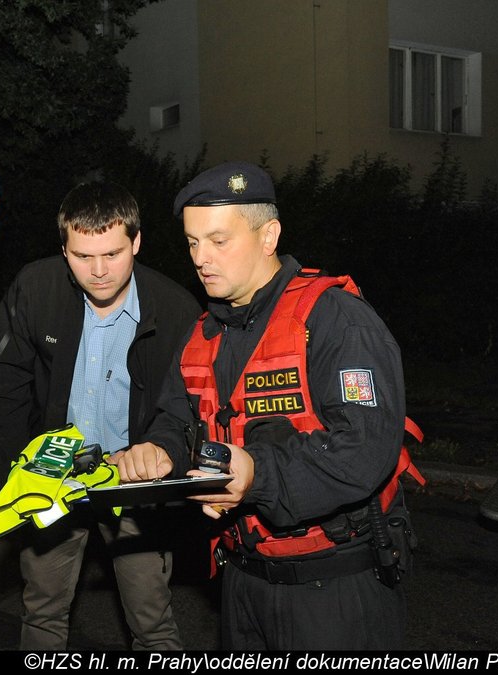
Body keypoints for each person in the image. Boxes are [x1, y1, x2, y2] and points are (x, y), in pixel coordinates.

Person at [114, 161, 423, 650]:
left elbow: (364, 450)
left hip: (334, 589)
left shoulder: (335, 320)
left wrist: (258, 475)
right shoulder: (202, 334)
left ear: (268, 235)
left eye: (219, 240)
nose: (201, 258)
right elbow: (176, 418)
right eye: (193, 242)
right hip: (241, 581)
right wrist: (159, 450)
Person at [0, 181, 201, 650]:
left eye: (113, 253)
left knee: (151, 620)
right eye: (83, 256)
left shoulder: (177, 309)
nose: (99, 271)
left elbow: (188, 407)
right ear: (64, 250)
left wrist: (162, 454)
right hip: (55, 480)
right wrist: (17, 476)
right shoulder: (35, 288)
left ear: (137, 242)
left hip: (134, 484)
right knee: (42, 611)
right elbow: (4, 387)